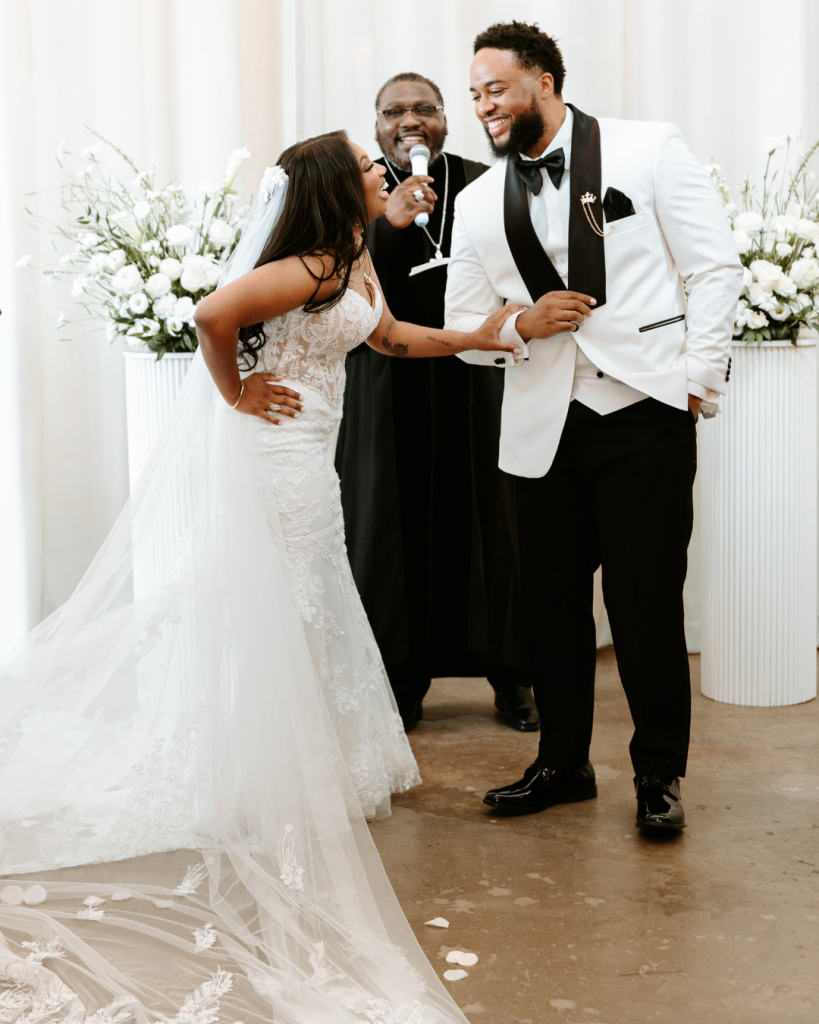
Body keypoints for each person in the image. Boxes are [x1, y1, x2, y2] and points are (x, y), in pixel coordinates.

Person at [0, 130, 519, 1023]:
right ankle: (251, 767)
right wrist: (236, 392)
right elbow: (212, 314)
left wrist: (477, 336)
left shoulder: (355, 255)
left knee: (307, 595)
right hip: (275, 449)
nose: (380, 171)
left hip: (310, 453)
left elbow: (388, 337)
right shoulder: (313, 263)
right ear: (333, 184)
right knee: (273, 600)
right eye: (365, 165)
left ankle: (304, 756)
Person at [446, 21, 743, 830]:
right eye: (474, 95)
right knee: (548, 605)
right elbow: (463, 325)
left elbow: (715, 266)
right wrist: (520, 325)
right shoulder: (475, 201)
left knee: (647, 603)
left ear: (542, 80)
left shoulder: (647, 149)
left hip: (644, 410)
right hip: (538, 428)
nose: (483, 107)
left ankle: (658, 777)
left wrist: (694, 381)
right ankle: (562, 764)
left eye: (495, 88)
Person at [336, 72, 536, 733]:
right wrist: (386, 224)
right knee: (389, 530)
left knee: (493, 524)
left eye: (424, 108)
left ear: (447, 120)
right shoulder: (353, 194)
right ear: (375, 127)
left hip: (473, 373)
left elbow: (523, 266)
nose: (409, 120)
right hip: (384, 380)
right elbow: (332, 280)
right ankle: (400, 677)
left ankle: (511, 674)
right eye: (393, 110)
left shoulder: (488, 181)